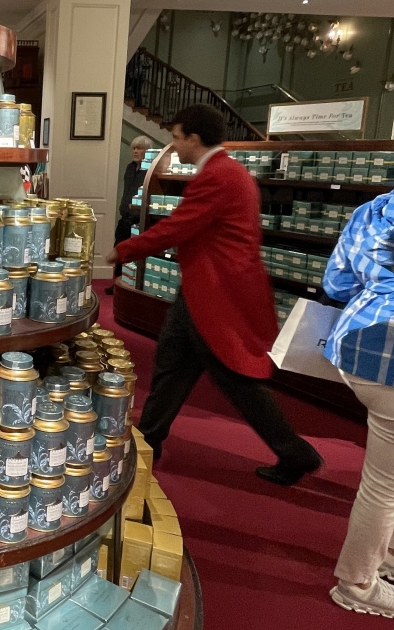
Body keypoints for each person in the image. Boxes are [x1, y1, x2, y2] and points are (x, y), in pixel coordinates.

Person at [107, 103, 322, 484]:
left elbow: (178, 226)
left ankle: (295, 452)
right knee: (173, 367)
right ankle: (148, 440)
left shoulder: (218, 177)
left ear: (194, 138)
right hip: (205, 291)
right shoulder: (231, 172)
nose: (174, 146)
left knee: (233, 379)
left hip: (215, 295)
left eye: (177, 138)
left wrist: (123, 250)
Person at [322, 188, 394, 617]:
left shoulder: (375, 208)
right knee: (384, 484)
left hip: (357, 348)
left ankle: (386, 556)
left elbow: (337, 283)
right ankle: (358, 583)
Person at [107, 135, 153, 292]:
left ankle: (131, 286)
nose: (135, 151)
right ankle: (117, 284)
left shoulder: (149, 172)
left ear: (147, 151)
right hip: (125, 218)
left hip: (138, 220)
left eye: (139, 148)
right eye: (134, 148)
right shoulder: (130, 168)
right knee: (119, 250)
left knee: (133, 255)